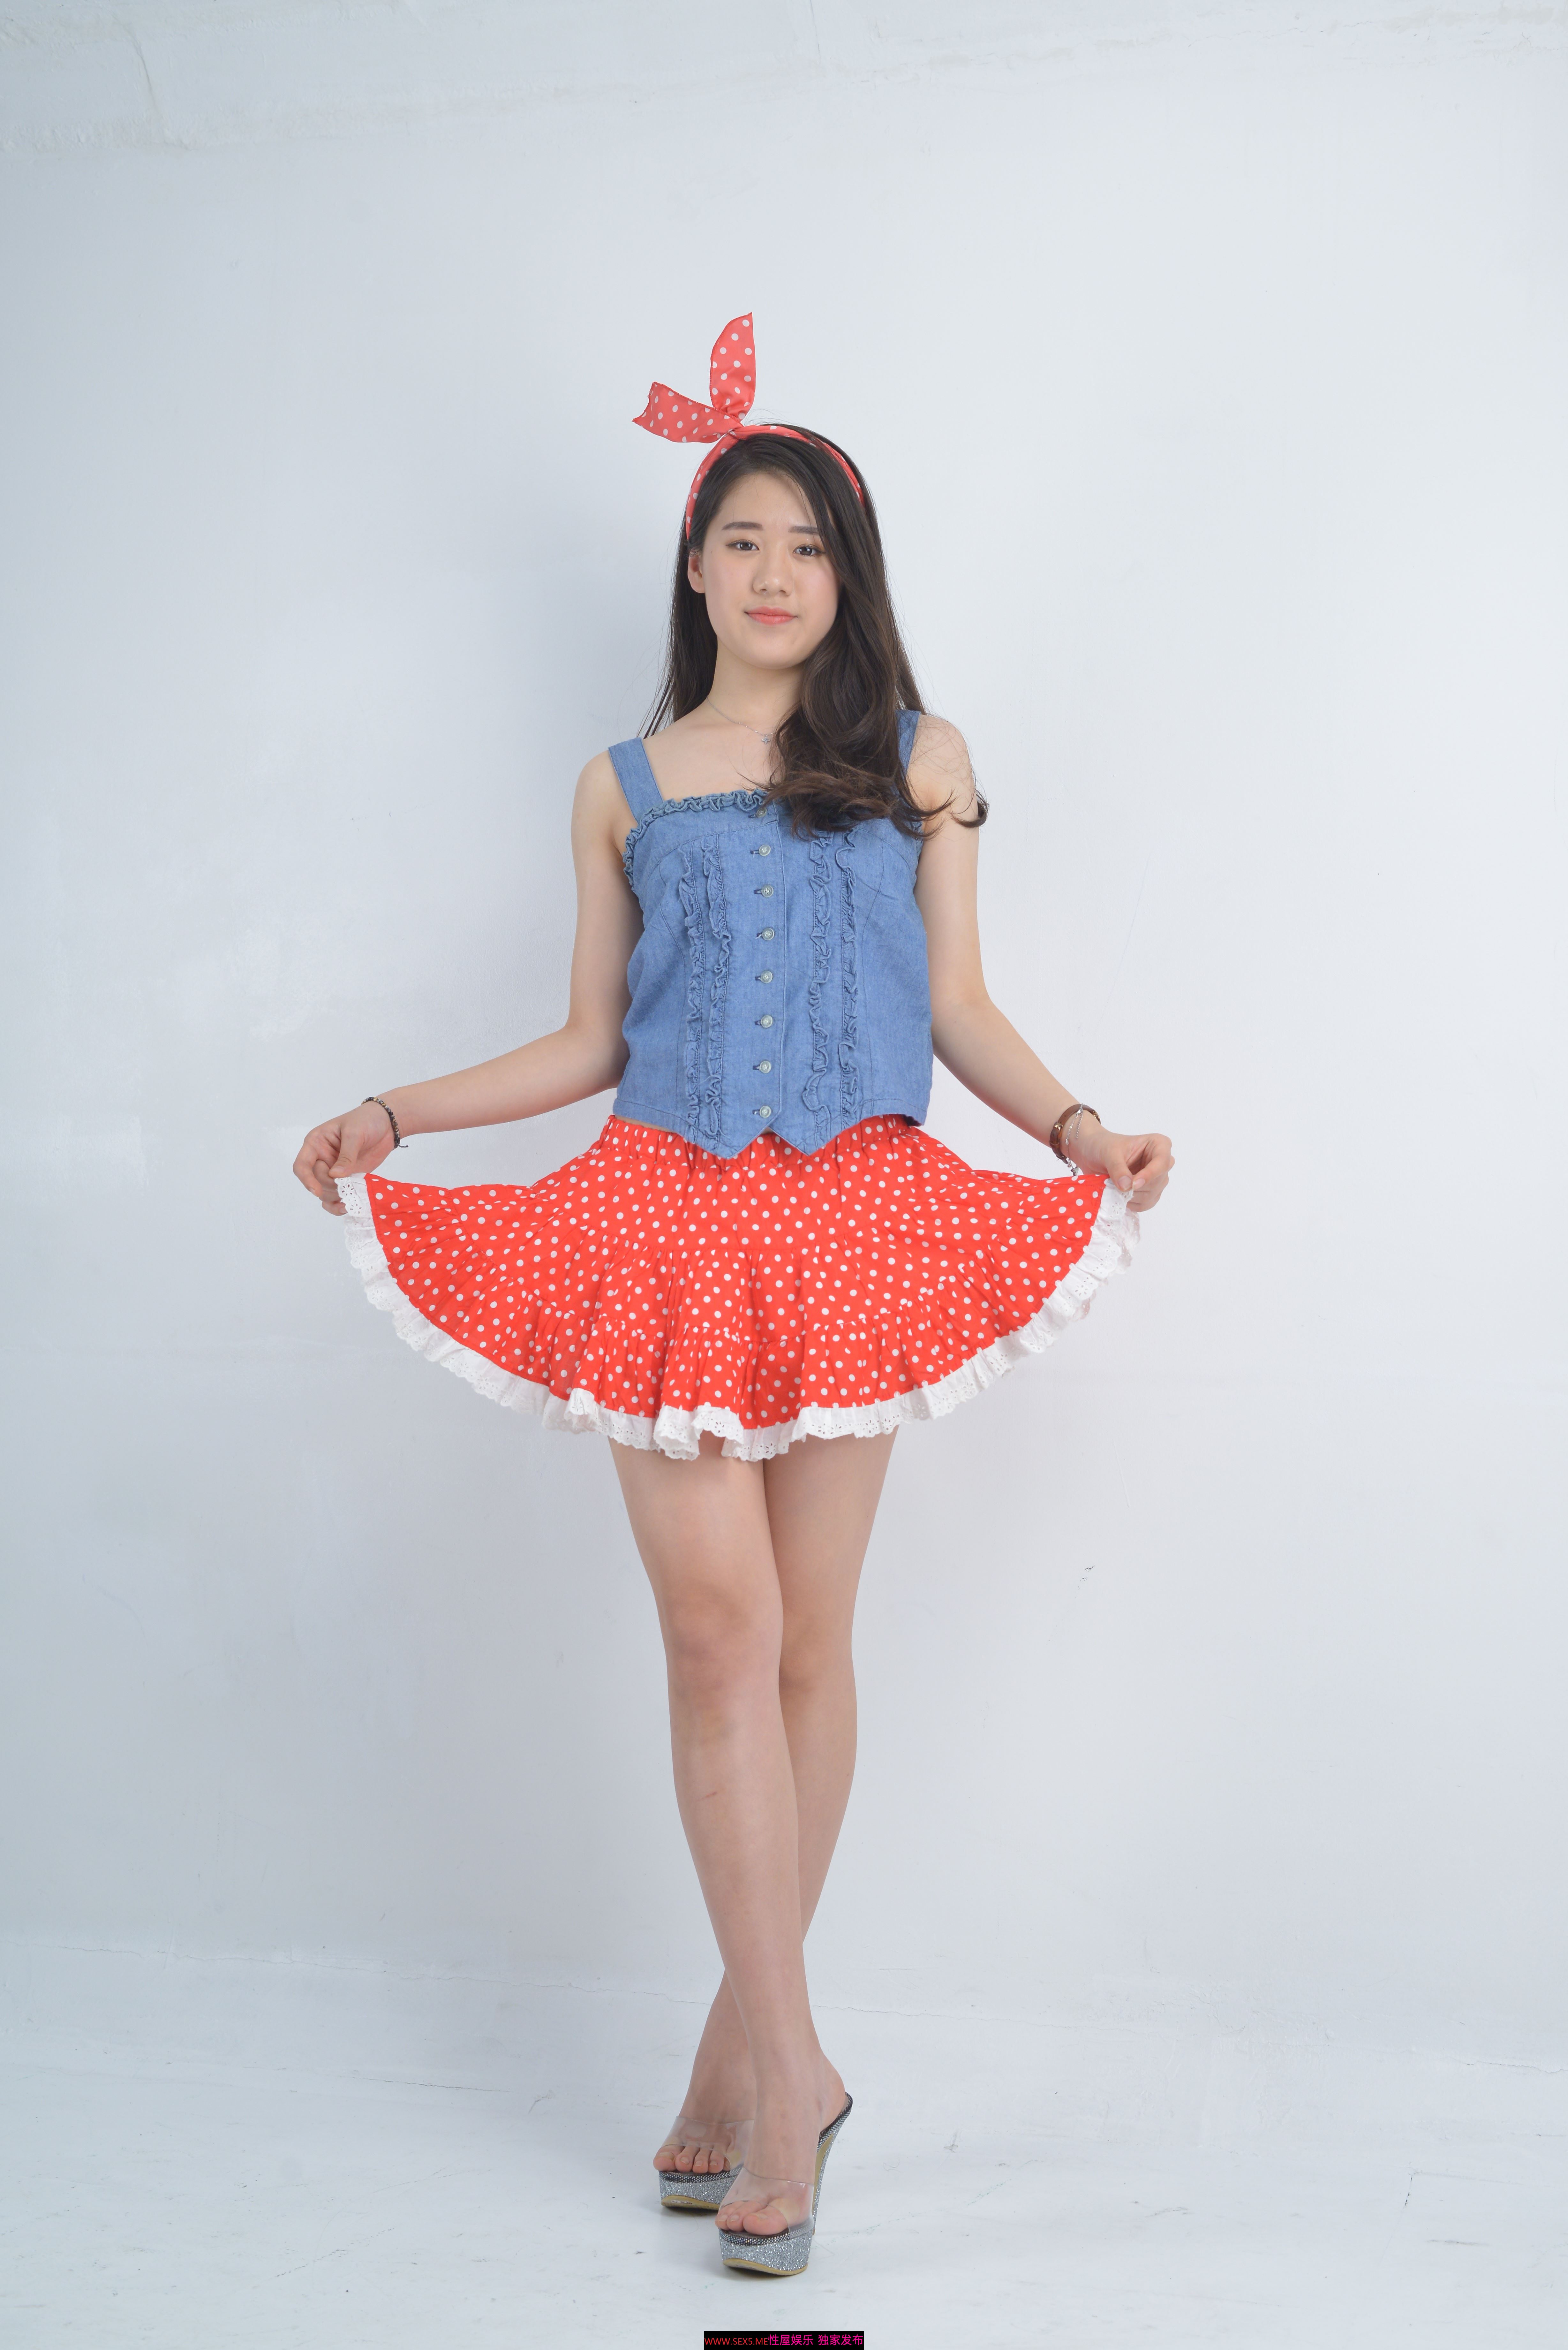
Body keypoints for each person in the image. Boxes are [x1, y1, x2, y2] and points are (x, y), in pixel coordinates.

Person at [291, 316, 1173, 2278]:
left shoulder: (918, 762)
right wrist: (395, 1110)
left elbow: (959, 1008)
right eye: (744, 540)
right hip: (663, 1225)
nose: (777, 574)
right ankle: (796, 2084)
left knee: (806, 1651)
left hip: (861, 1220)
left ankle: (733, 2054)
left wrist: (1082, 1130)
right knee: (717, 1638)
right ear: (695, 568)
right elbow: (590, 1041)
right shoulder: (622, 784)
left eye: (811, 547)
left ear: (850, 580)